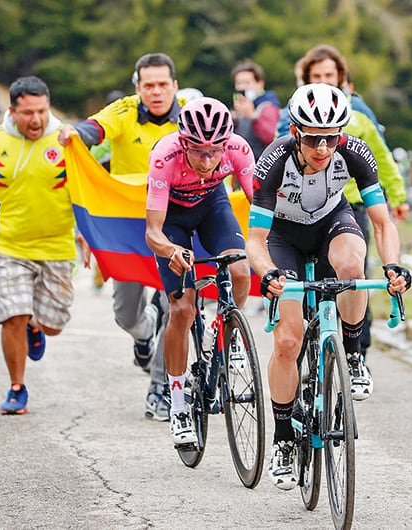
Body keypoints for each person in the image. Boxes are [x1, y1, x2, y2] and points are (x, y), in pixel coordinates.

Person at [247, 83, 411, 490]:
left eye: (332, 138)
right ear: (296, 132)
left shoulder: (354, 152)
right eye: (314, 138)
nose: (323, 148)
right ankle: (283, 440)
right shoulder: (272, 162)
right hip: (282, 237)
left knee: (354, 267)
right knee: (288, 340)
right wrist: (268, 273)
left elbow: (382, 222)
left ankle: (353, 355)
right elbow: (254, 239)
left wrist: (393, 266)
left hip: (331, 223)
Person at [58, 52, 180, 422]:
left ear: (174, 86)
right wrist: (74, 133)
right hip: (130, 226)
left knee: (178, 307)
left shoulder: (189, 113)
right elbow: (93, 130)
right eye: (148, 86)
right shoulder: (124, 111)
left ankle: (160, 388)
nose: (156, 92)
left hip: (178, 221)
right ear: (138, 87)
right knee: (126, 314)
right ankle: (144, 334)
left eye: (163, 85)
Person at [294, 44, 410, 399]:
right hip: (303, 211)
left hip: (352, 203)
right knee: (310, 286)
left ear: (342, 78)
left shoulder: (358, 115)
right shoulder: (297, 115)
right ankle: (309, 341)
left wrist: (398, 195)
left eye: (330, 75)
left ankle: (358, 351)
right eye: (317, 77)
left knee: (353, 274)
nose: (324, 81)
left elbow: (382, 158)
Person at [144, 97, 255, 445]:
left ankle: (226, 334)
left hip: (212, 206)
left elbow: (261, 204)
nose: (207, 161)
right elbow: (153, 232)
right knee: (182, 308)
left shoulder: (238, 148)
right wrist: (172, 251)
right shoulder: (165, 156)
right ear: (183, 142)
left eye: (214, 151)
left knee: (239, 271)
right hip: (172, 219)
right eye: (198, 151)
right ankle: (177, 404)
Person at [0, 76, 78, 414]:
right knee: (13, 316)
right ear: (12, 111)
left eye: (41, 111)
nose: (35, 120)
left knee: (54, 324)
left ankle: (37, 327)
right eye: (27, 113)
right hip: (8, 245)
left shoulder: (67, 139)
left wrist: (90, 235)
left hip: (57, 247)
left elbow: (87, 192)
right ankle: (17, 386)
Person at [230, 60, 280, 159]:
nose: (242, 87)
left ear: (260, 84)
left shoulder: (267, 106)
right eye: (239, 83)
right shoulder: (240, 109)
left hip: (261, 166)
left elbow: (272, 138)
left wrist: (252, 116)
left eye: (247, 82)